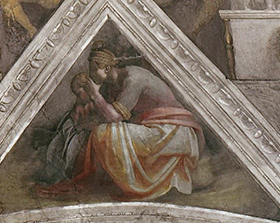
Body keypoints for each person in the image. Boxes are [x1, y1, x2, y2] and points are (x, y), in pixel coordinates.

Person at [33, 44, 212, 200]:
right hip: (157, 129)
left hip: (173, 131)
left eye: (93, 70)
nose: (91, 75)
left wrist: (94, 95)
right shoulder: (114, 85)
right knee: (101, 133)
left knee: (104, 134)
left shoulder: (133, 79)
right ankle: (98, 179)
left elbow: (115, 118)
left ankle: (124, 184)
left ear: (106, 68)